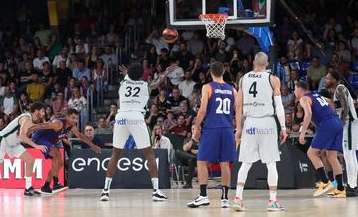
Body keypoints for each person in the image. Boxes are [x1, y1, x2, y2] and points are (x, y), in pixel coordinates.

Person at [99, 62, 177, 202]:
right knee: (149, 154)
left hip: (121, 118)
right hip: (136, 117)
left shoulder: (123, 83)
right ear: (142, 75)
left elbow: (129, 77)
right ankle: (156, 191)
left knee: (115, 154)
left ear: (129, 74)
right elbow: (158, 81)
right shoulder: (145, 85)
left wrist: (126, 73)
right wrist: (166, 71)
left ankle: (105, 191)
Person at [232, 52, 287, 212]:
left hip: (250, 123)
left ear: (253, 62)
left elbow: (238, 106)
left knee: (246, 163)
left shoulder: (243, 79)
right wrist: (283, 127)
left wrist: (239, 128)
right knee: (271, 163)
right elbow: (279, 106)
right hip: (267, 122)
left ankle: (238, 198)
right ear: (267, 64)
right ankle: (272, 201)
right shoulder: (272, 79)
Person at [187, 62, 237, 209]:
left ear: (210, 73)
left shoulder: (207, 87)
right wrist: (238, 128)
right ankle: (225, 198)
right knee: (225, 163)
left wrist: (196, 128)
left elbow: (202, 110)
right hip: (227, 129)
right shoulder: (232, 89)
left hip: (212, 128)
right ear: (223, 72)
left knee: (201, 160)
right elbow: (238, 109)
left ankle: (203, 196)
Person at [0, 102, 48, 196]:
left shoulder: (31, 120)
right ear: (36, 111)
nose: (44, 113)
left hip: (13, 143)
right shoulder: (26, 118)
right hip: (2, 141)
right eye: (42, 111)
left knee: (30, 160)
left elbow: (24, 134)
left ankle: (28, 188)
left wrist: (45, 126)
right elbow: (22, 136)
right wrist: (37, 146)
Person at [29, 108, 102, 194]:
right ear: (67, 117)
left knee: (59, 163)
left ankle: (46, 186)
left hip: (50, 141)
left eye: (76, 118)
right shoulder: (58, 123)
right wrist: (28, 130)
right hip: (40, 139)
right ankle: (56, 184)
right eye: (73, 118)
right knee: (56, 154)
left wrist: (92, 145)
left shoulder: (71, 126)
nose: (75, 120)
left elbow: (79, 135)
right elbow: (43, 125)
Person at [295, 81, 346, 198]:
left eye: (295, 90)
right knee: (332, 156)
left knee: (311, 153)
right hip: (337, 122)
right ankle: (340, 189)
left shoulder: (304, 98)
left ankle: (324, 181)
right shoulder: (316, 95)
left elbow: (308, 114)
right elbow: (330, 103)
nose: (294, 92)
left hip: (328, 123)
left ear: (299, 89)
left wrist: (302, 133)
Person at [325, 71, 358, 197]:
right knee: (350, 155)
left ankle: (352, 186)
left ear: (335, 79)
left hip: (349, 123)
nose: (326, 80)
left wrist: (340, 124)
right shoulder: (335, 92)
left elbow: (345, 107)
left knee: (348, 155)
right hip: (349, 124)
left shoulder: (340, 88)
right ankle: (353, 186)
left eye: (328, 78)